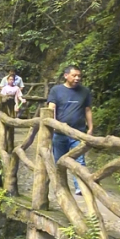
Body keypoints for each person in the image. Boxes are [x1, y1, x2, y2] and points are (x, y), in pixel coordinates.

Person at [47, 65, 94, 196]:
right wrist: (53, 123)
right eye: (74, 75)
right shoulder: (56, 90)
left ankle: (80, 187)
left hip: (78, 132)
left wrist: (90, 128)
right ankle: (60, 187)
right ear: (66, 75)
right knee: (59, 161)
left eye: (79, 76)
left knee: (79, 161)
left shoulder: (84, 91)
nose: (77, 78)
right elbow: (51, 107)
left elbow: (87, 110)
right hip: (60, 132)